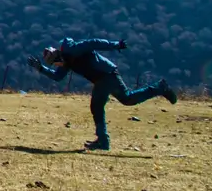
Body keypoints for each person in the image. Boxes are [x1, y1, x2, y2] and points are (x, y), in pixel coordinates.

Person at [28, 37, 177, 151]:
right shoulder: (66, 61)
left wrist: (115, 45)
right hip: (101, 78)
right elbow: (58, 77)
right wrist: (41, 69)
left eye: (55, 64)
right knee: (112, 103)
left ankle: (159, 88)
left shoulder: (72, 50)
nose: (57, 66)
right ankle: (103, 140)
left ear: (58, 57)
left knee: (122, 100)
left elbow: (94, 43)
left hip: (107, 74)